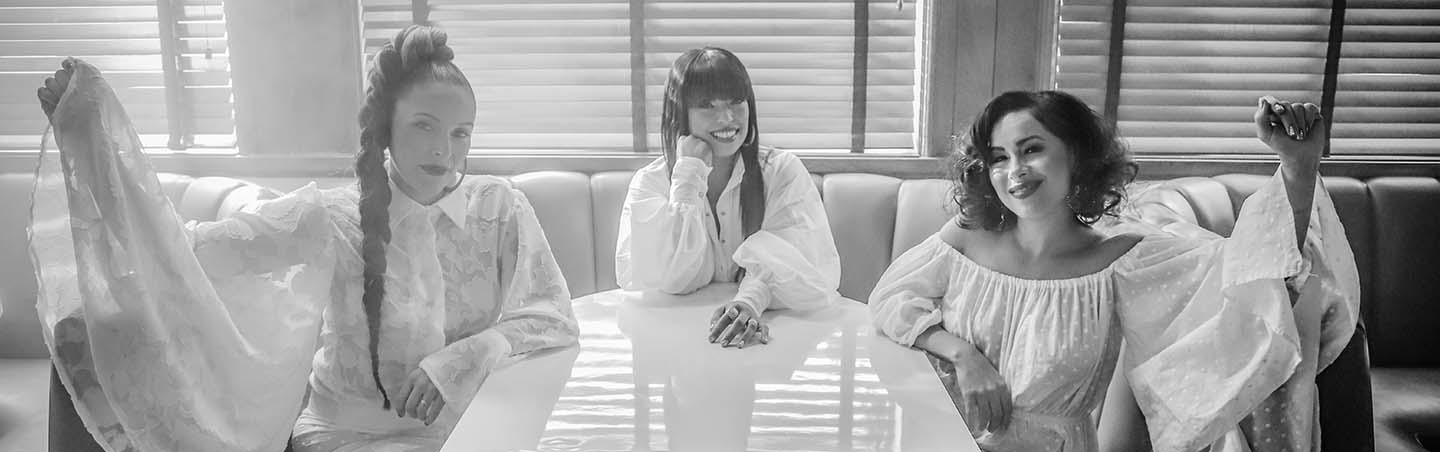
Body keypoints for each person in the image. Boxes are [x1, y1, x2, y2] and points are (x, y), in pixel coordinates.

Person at [32, 25, 578, 452]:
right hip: (350, 437)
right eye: (424, 126)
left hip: (473, 428)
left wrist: (463, 357)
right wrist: (92, 141)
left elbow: (552, 314)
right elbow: (182, 251)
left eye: (461, 133)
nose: (445, 151)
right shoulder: (328, 218)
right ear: (387, 127)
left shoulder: (500, 207)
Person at [868, 90, 1358, 451]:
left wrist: (1298, 169)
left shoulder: (1124, 256)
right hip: (943, 439)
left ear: (1076, 155)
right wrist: (964, 356)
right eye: (999, 157)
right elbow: (890, 298)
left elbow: (1255, 277)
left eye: (1031, 148)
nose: (1014, 170)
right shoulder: (966, 237)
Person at [614, 47, 841, 348]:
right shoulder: (651, 184)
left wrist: (747, 304)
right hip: (673, 339)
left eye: (736, 102)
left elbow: (800, 265)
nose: (727, 118)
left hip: (770, 334)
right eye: (707, 105)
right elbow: (675, 279)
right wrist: (689, 175)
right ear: (680, 113)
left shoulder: (780, 171)